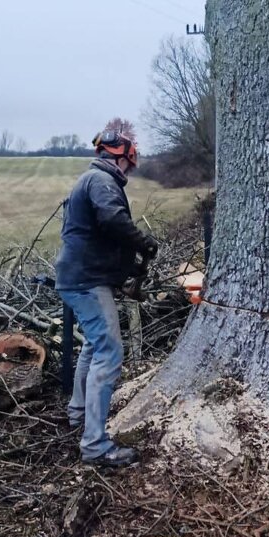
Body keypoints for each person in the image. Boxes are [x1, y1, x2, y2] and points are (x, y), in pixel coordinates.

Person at [55, 130, 159, 467]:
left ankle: (78, 411)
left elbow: (100, 233)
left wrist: (124, 267)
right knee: (110, 353)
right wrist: (143, 242)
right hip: (86, 280)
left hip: (80, 277)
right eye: (129, 163)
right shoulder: (100, 180)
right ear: (121, 157)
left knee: (93, 346)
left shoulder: (91, 179)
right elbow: (113, 219)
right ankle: (96, 446)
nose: (130, 171)